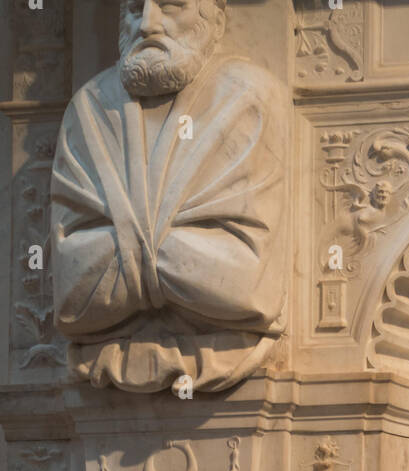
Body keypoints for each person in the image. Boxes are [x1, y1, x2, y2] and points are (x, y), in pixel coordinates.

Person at [51, 0, 287, 392]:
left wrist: (119, 257)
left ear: (215, 15)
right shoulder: (89, 109)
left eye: (171, 5)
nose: (147, 24)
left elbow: (246, 285)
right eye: (131, 8)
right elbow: (73, 298)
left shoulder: (249, 98)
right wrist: (185, 261)